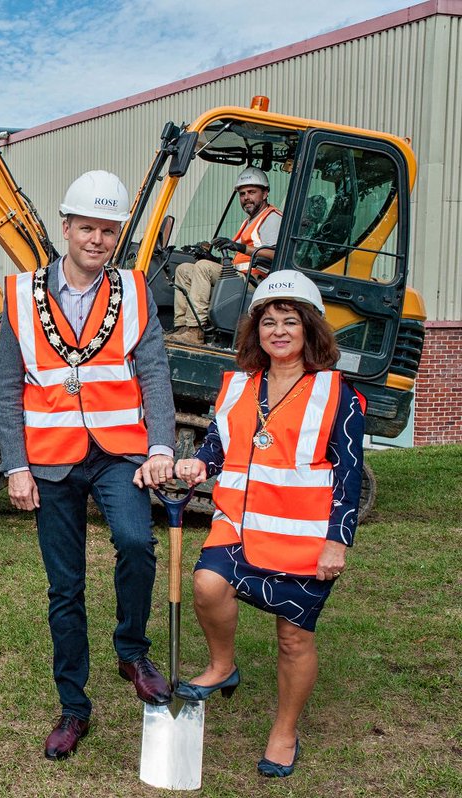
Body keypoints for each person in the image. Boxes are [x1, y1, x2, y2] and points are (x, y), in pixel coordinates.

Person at [0, 170, 177, 760]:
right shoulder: (20, 295)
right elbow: (8, 390)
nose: (97, 240)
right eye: (87, 228)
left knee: (136, 542)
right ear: (66, 227)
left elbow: (154, 372)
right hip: (50, 462)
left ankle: (131, 650)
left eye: (108, 230)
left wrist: (162, 446)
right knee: (65, 587)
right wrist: (15, 465)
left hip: (118, 451)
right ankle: (74, 707)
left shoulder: (135, 291)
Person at [172, 270, 364, 779]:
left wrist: (337, 541)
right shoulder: (238, 385)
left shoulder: (336, 393)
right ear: (255, 330)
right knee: (207, 584)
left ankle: (284, 730)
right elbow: (219, 443)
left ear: (310, 329)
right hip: (237, 524)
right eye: (269, 322)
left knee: (293, 639)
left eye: (290, 321)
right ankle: (222, 665)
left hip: (302, 538)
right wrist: (200, 464)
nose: (278, 331)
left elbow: (348, 475)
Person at [168, 167, 282, 345]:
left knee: (203, 268)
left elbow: (276, 254)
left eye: (252, 192)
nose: (246, 197)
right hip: (239, 275)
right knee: (184, 270)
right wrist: (211, 258)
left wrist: (239, 247)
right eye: (242, 194)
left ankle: (195, 331)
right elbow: (238, 261)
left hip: (254, 281)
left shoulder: (271, 218)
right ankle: (182, 326)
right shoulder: (249, 221)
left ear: (265, 193)